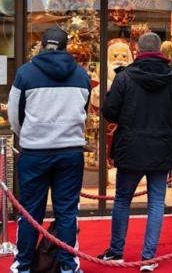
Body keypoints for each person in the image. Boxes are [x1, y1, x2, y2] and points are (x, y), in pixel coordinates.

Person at [99, 32, 172, 272]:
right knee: (156, 202)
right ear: (160, 50)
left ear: (137, 51)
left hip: (130, 147)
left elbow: (109, 111)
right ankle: (148, 257)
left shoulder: (125, 77)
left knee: (122, 199)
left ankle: (116, 251)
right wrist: (171, 134)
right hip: (161, 147)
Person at [8, 28, 91, 273]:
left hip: (35, 151)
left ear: (42, 45)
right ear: (66, 47)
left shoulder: (25, 73)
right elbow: (83, 112)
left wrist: (29, 136)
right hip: (70, 151)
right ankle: (67, 266)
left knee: (30, 212)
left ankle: (23, 264)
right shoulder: (81, 75)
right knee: (67, 212)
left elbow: (15, 115)